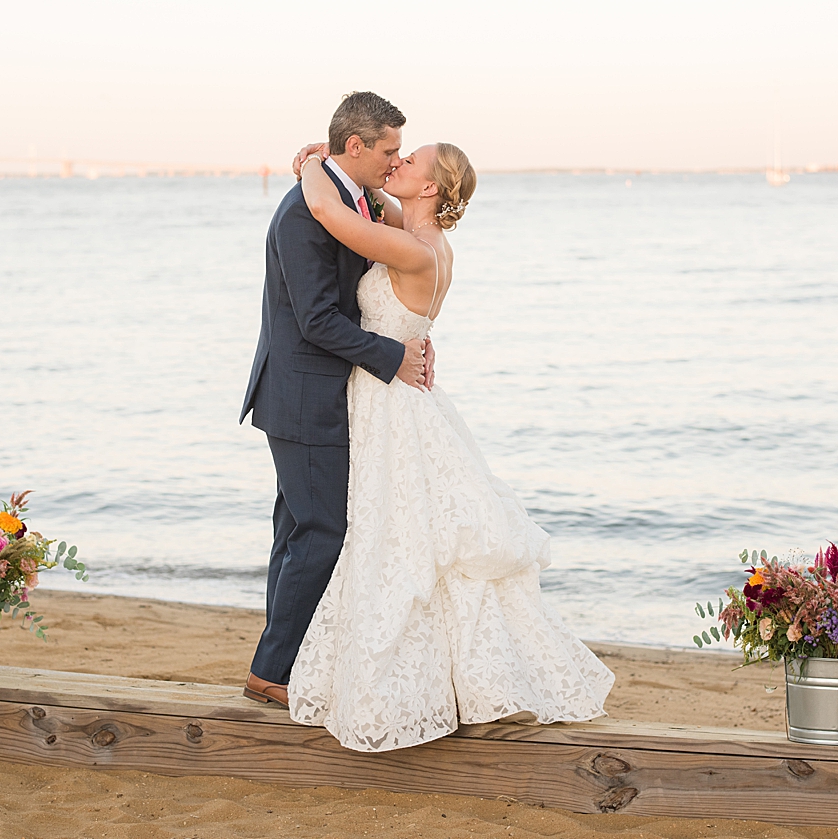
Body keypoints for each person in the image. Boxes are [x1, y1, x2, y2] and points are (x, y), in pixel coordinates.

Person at [284, 136, 614, 752]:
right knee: (415, 538)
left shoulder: (414, 248)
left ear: (432, 187)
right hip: (403, 394)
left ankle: (421, 688)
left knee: (397, 540)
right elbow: (371, 202)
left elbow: (330, 212)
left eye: (410, 162)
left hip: (389, 401)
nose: (397, 164)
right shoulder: (424, 237)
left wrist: (311, 167)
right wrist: (348, 174)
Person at [239, 92, 433, 706]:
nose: (393, 161)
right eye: (388, 150)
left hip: (319, 393)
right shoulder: (303, 214)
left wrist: (408, 332)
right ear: (357, 146)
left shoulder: (349, 200)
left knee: (298, 529)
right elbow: (318, 319)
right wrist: (393, 355)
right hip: (303, 395)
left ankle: (283, 662)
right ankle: (272, 672)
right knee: (323, 531)